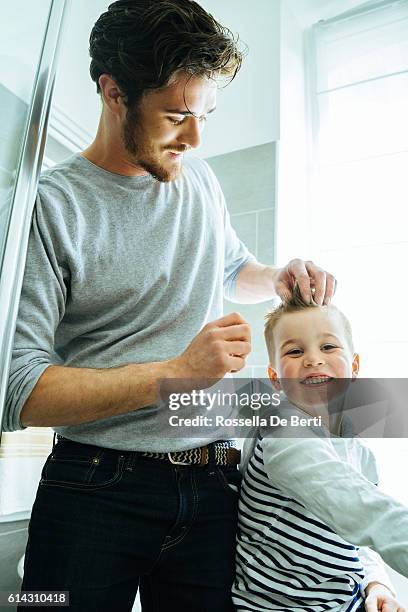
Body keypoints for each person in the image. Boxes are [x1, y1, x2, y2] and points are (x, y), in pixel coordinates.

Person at [4, 1, 335, 611]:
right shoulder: (49, 208)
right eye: (178, 115)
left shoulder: (199, 181)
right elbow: (19, 392)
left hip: (214, 486)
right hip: (93, 488)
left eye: (205, 114)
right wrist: (173, 375)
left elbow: (234, 267)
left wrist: (278, 276)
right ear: (113, 92)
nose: (196, 137)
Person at [233, 289, 408, 612]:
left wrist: (376, 582)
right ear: (275, 379)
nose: (313, 359)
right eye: (295, 351)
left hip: (347, 601)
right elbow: (353, 503)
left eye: (328, 346)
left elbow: (356, 527)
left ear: (354, 367)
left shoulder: (358, 449)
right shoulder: (281, 429)